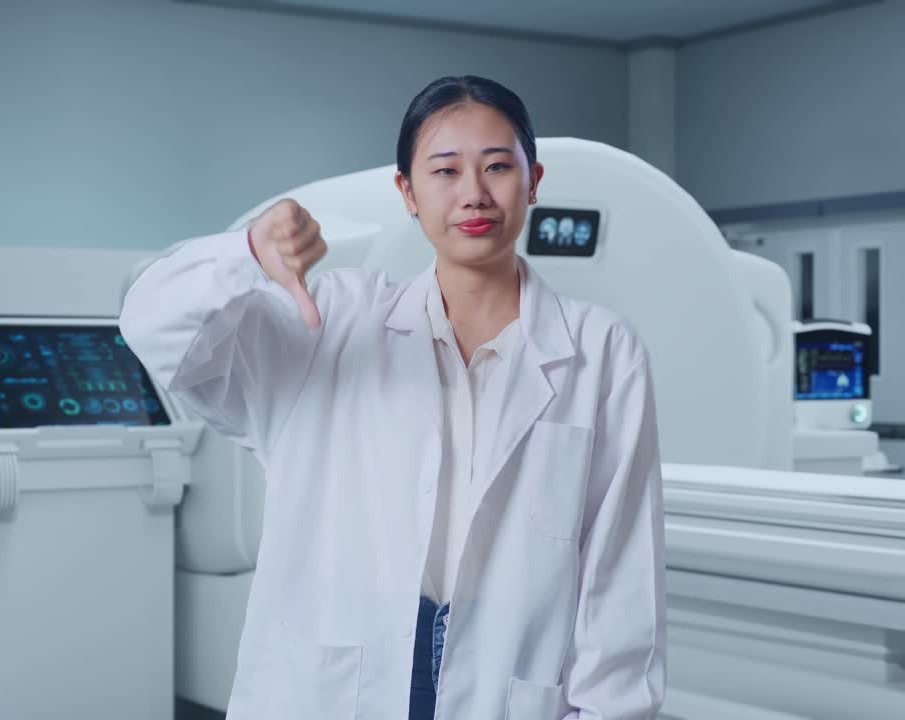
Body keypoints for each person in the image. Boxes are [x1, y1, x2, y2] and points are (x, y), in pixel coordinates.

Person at [120, 75, 665, 720]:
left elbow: (621, 572)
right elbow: (151, 328)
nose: (474, 194)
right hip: (341, 681)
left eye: (497, 166)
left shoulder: (602, 350)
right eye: (445, 171)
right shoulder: (332, 322)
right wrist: (246, 253)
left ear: (534, 179)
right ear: (406, 191)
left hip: (506, 683)